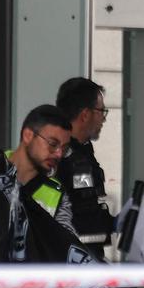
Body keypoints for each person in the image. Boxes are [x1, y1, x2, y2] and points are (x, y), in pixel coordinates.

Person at [53, 77, 115, 246]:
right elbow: (84, 215)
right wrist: (114, 224)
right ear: (85, 115)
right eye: (101, 111)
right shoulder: (75, 161)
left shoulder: (73, 151)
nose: (104, 119)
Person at [9, 104, 76, 232]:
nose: (59, 154)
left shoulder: (56, 194)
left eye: (64, 148)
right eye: (53, 144)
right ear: (28, 135)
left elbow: (64, 245)